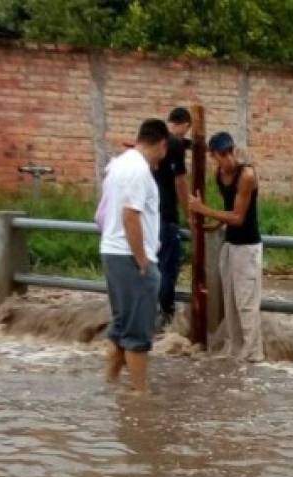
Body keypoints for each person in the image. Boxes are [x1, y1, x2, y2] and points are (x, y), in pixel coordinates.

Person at [99, 118, 169, 393]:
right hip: (130, 256)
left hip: (113, 251)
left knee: (121, 326)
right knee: (137, 332)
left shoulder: (119, 163)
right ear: (162, 144)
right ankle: (141, 398)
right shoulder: (139, 170)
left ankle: (110, 385)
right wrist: (142, 259)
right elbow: (131, 215)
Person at [188, 131, 264, 362]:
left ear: (229, 152)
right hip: (230, 244)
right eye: (218, 157)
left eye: (224, 155)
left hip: (247, 247)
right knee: (230, 303)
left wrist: (203, 210)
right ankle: (237, 353)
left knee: (246, 304)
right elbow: (228, 209)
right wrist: (213, 224)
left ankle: (253, 356)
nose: (223, 161)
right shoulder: (220, 174)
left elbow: (239, 217)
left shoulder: (247, 176)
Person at [153, 107, 193, 326]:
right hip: (167, 215)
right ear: (184, 124)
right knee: (169, 266)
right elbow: (180, 182)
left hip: (150, 215)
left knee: (154, 263)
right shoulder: (176, 145)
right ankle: (166, 313)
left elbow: (180, 144)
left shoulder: (158, 141)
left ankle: (152, 309)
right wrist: (188, 215)